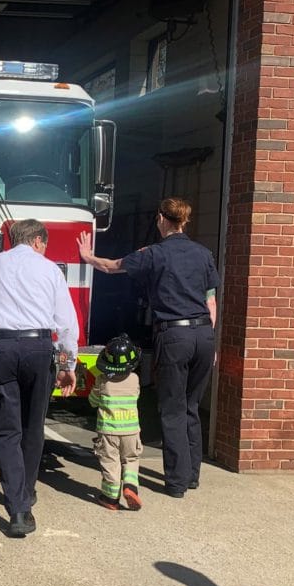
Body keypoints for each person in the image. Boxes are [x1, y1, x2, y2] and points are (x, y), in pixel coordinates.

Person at [78, 196, 219, 498]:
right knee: (191, 405)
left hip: (174, 336)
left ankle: (177, 482)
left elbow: (114, 267)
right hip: (204, 336)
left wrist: (88, 257)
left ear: (160, 219)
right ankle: (193, 474)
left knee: (172, 409)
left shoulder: (154, 254)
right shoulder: (203, 254)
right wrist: (211, 340)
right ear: (184, 221)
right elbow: (211, 301)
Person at [0, 218, 80, 538]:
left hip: (1, 347)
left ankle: (18, 508)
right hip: (39, 348)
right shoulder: (50, 270)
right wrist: (69, 364)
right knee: (33, 425)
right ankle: (26, 493)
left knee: (5, 429)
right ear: (38, 241)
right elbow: (67, 323)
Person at [88, 334, 143, 511]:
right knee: (131, 459)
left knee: (110, 461)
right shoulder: (135, 379)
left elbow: (93, 401)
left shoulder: (103, 381)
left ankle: (111, 498)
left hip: (108, 431)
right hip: (131, 431)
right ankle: (130, 486)